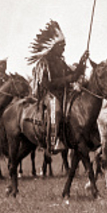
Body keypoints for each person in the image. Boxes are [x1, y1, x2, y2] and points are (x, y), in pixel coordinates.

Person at [28, 21, 88, 152]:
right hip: (50, 95)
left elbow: (74, 75)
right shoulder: (44, 63)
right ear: (54, 47)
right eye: (61, 46)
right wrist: (68, 79)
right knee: (57, 111)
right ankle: (53, 141)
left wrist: (82, 62)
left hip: (65, 93)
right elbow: (48, 84)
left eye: (64, 46)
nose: (64, 49)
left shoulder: (61, 62)